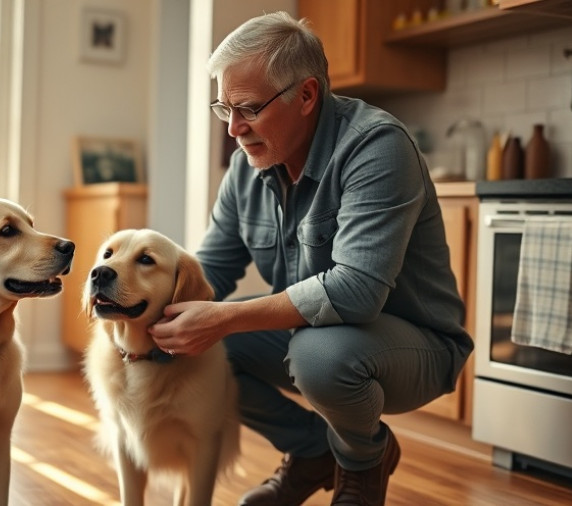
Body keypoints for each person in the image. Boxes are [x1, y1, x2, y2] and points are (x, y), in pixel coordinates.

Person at [148, 11, 473, 506]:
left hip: (417, 345)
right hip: (319, 333)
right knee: (206, 351)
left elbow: (356, 292)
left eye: (249, 108)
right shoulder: (245, 168)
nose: (234, 129)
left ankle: (362, 463)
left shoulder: (377, 147)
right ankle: (314, 451)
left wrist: (223, 318)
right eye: (224, 108)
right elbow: (208, 271)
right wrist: (140, 311)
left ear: (306, 96)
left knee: (318, 357)